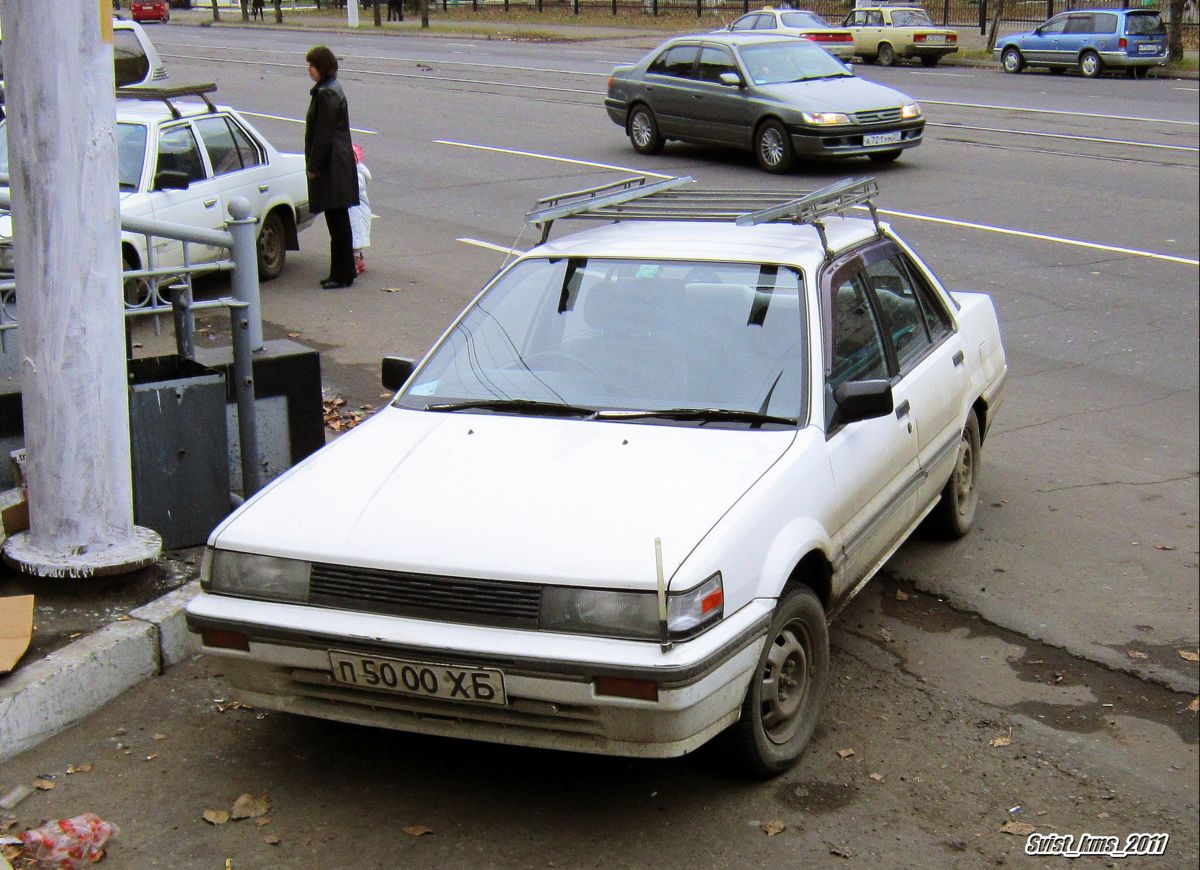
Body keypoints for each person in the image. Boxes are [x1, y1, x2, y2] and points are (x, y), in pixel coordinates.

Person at [304, 45, 359, 289]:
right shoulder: (330, 89)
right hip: (338, 162)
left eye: (312, 65)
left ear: (322, 68)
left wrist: (313, 166)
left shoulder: (326, 94)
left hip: (331, 165)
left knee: (336, 223)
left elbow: (323, 135)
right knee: (339, 221)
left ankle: (341, 274)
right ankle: (344, 271)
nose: (309, 70)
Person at [350, 142, 372, 275]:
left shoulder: (357, 174)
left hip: (356, 211)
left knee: (355, 236)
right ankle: (359, 258)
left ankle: (356, 261)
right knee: (357, 235)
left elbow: (356, 188)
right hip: (359, 210)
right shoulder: (360, 171)